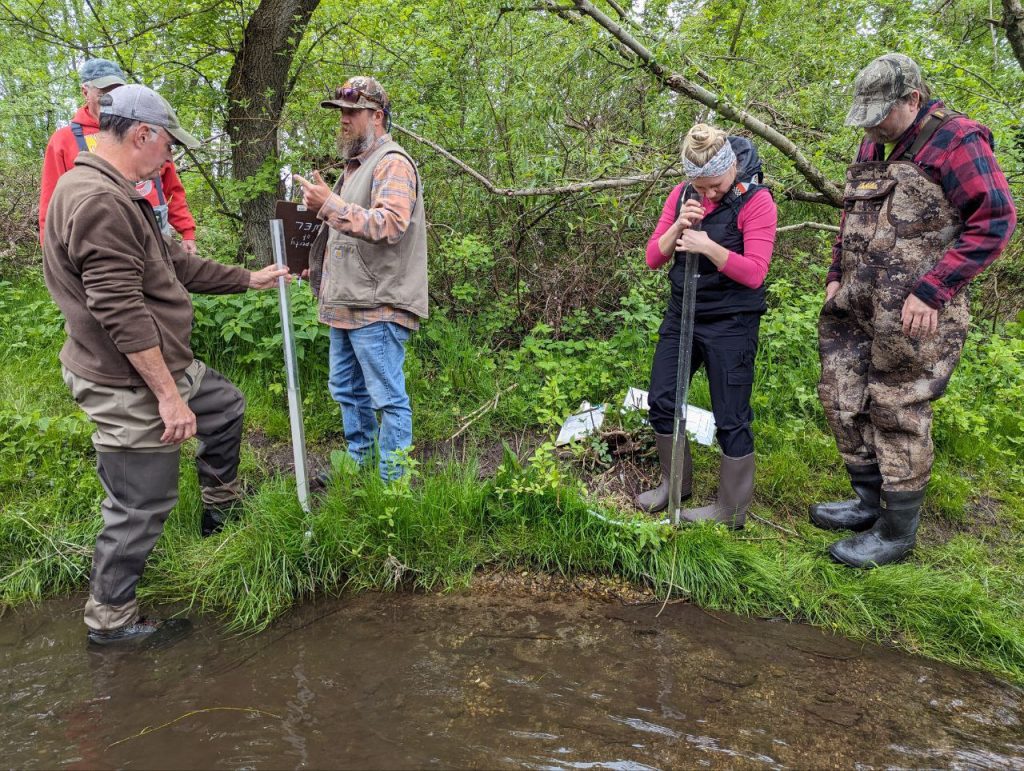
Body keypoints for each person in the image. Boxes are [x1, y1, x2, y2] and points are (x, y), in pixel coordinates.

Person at [42, 84, 289, 645]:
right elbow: (121, 311)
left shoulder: (120, 190)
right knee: (140, 503)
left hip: (160, 364)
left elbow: (172, 265)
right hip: (126, 378)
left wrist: (249, 278)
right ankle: (111, 624)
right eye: (167, 145)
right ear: (141, 134)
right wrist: (168, 397)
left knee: (224, 407)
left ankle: (220, 508)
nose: (170, 157)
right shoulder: (98, 201)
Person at [812, 54, 1017, 568]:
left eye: (881, 113)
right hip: (855, 304)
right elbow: (851, 216)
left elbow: (994, 220)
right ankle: (867, 504)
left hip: (914, 312)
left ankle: (896, 532)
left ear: (913, 99)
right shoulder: (875, 139)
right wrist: (835, 275)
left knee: (898, 407)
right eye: (866, 115)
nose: (872, 125)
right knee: (842, 397)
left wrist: (933, 291)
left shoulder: (958, 141)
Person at [637, 124, 778, 527]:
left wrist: (709, 247)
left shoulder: (757, 202)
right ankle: (674, 484)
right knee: (662, 399)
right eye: (699, 186)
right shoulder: (683, 195)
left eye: (714, 186)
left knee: (730, 416)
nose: (707, 194)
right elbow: (653, 257)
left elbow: (755, 272)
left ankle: (730, 511)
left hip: (731, 323)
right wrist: (679, 228)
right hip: (682, 316)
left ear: (732, 166)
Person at [293, 76, 427, 482]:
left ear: (378, 116)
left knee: (387, 398)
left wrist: (330, 204)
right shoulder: (355, 167)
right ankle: (360, 464)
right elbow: (349, 236)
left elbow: (391, 224)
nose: (343, 120)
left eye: (352, 112)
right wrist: (317, 267)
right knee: (347, 391)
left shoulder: (392, 162)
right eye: (341, 113)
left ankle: (393, 486)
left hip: (380, 305)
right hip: (348, 303)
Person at [39, 58, 199, 254]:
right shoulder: (64, 140)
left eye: (118, 92)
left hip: (155, 231)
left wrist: (187, 231)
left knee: (166, 282)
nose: (111, 98)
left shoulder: (146, 133)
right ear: (85, 92)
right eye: (103, 93)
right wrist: (52, 253)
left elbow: (171, 187)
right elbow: (51, 203)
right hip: (101, 239)